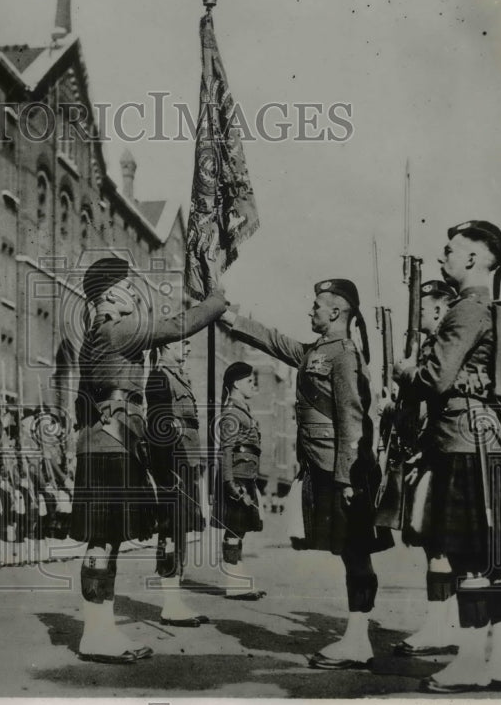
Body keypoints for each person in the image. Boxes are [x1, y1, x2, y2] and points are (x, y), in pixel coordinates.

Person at [393, 220, 501, 694]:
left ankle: (472, 662)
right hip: (491, 445)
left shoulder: (464, 311)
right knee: (499, 562)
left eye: (450, 251)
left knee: (468, 562)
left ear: (475, 259)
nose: (444, 258)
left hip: (461, 448)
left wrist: (405, 373)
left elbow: (434, 379)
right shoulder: (493, 310)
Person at [221, 279, 393, 670]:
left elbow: (352, 416)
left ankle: (357, 639)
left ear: (336, 311)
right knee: (350, 552)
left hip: (341, 469)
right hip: (324, 465)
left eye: (317, 306)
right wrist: (227, 314)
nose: (310, 311)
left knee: (356, 552)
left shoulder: (344, 354)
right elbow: (274, 341)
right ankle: (356, 635)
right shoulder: (316, 351)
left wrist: (348, 478)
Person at [72, 255, 227, 664]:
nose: (134, 293)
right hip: (112, 443)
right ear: (109, 294)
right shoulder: (119, 329)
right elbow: (177, 328)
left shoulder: (97, 333)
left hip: (108, 440)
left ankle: (100, 629)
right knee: (103, 539)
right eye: (127, 286)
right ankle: (95, 632)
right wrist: (214, 302)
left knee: (106, 539)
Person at [391, 279, 460, 657]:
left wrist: (406, 372)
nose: (416, 316)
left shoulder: (442, 347)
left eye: (422, 308)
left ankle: (441, 627)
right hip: (436, 450)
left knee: (439, 544)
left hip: (446, 451)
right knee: (438, 546)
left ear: (436, 309)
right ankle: (443, 625)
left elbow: (432, 387)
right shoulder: (436, 345)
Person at [144, 338, 210, 624]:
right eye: (183, 343)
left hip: (186, 465)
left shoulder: (179, 378)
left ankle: (175, 601)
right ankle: (170, 604)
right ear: (167, 346)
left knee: (180, 532)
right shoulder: (160, 377)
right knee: (170, 533)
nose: (189, 348)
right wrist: (164, 476)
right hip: (172, 467)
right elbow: (158, 430)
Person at [211, 361, 266, 601]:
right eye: (247, 381)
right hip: (236, 479)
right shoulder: (232, 412)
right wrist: (229, 484)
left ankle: (240, 583)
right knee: (234, 532)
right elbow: (226, 450)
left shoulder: (242, 410)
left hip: (246, 477)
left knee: (239, 532)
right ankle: (235, 586)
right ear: (235, 383)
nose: (252, 385)